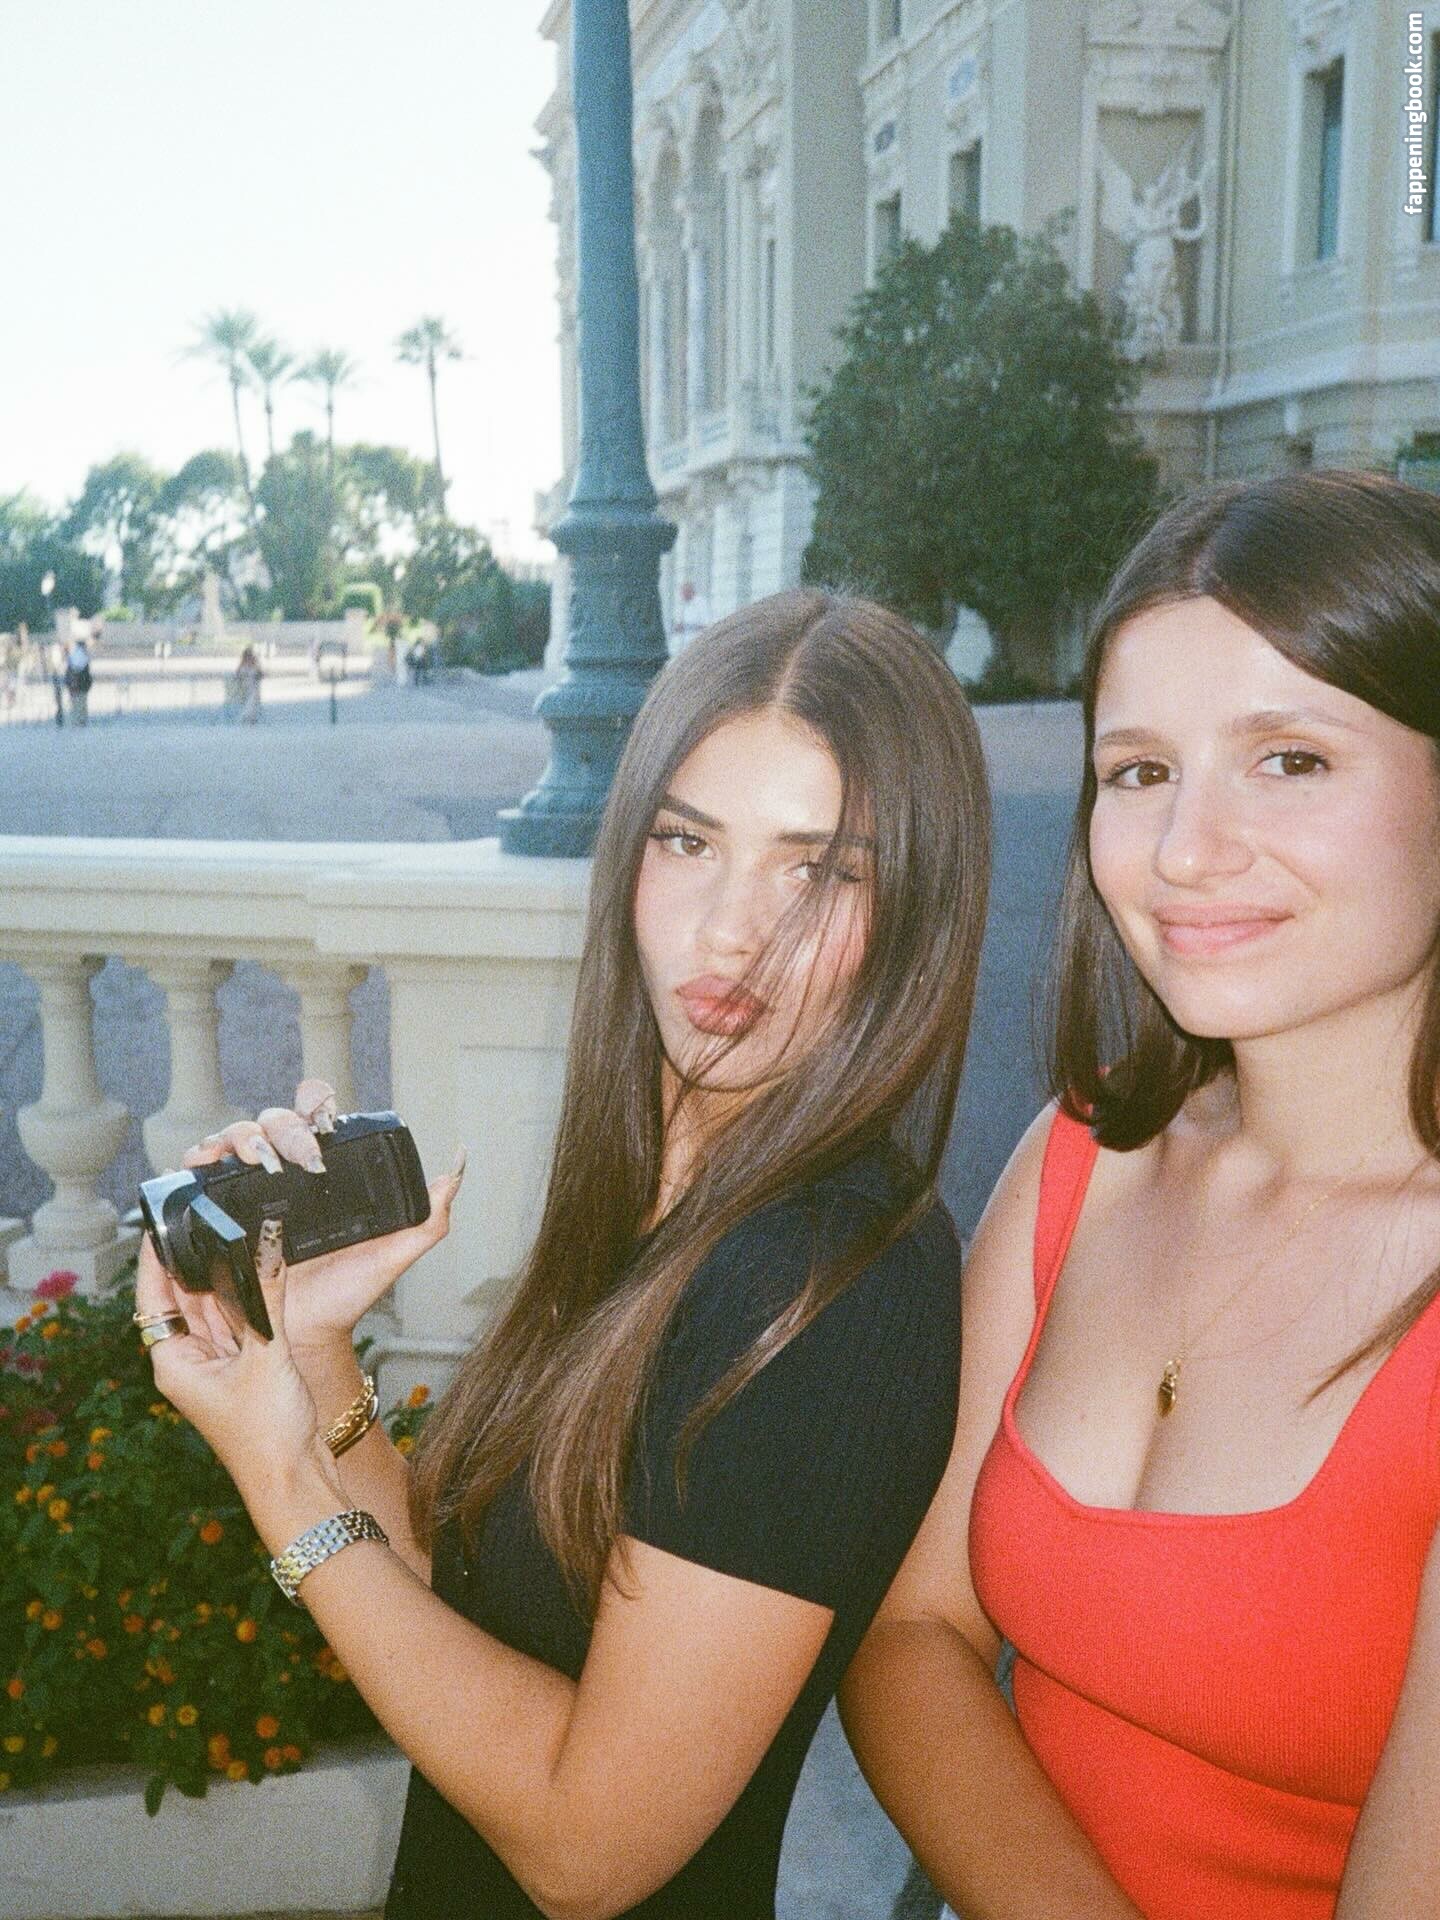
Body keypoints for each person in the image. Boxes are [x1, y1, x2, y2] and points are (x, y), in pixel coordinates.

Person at [136, 588, 991, 1920]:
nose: (731, 929)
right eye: (687, 841)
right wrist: (313, 1358)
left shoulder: (822, 1284)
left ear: (916, 909)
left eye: (820, 871)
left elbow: (588, 1850)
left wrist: (281, 1487)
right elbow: (467, 1606)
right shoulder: (670, 1186)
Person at [840, 471, 1440, 1920]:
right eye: (1139, 772)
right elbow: (908, 1637)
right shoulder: (1086, 1154)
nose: (1184, 852)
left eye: (1290, 759)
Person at [64, 632, 92, 726]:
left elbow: (70, 670)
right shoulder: (82, 655)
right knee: (82, 703)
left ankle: (76, 721)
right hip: (81, 684)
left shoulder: (74, 655)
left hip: (74, 684)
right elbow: (84, 670)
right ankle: (81, 721)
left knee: (75, 703)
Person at [235, 644, 262, 724]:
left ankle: (251, 718)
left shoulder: (255, 665)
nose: (249, 658)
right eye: (247, 656)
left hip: (253, 687)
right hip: (245, 687)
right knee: (248, 702)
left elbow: (260, 674)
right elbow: (238, 675)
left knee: (253, 702)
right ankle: (246, 717)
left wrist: (258, 675)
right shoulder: (242, 665)